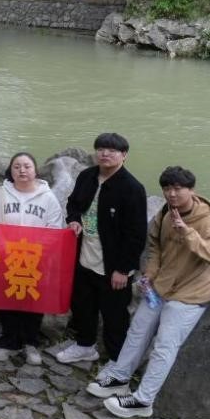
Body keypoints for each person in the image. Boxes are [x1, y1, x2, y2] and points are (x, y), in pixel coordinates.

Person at [88, 166, 210, 419]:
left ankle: (143, 401)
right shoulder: (165, 213)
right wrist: (149, 275)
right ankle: (119, 378)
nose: (172, 194)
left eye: (178, 189)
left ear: (192, 190)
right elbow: (155, 247)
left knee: (164, 345)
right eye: (167, 189)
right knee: (138, 329)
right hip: (162, 286)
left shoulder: (207, 221)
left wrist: (187, 233)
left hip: (191, 293)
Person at [57, 132, 148, 365]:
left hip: (113, 265)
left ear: (124, 155)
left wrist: (124, 269)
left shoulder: (132, 188)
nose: (105, 154)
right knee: (82, 305)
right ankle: (85, 346)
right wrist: (73, 220)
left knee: (114, 315)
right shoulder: (87, 176)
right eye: (100, 149)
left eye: (112, 150)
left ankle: (118, 362)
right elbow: (73, 204)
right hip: (84, 256)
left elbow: (136, 234)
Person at [0, 153, 64, 365]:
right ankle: (8, 342)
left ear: (35, 170)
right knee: (8, 300)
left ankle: (31, 343)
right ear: (11, 171)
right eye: (17, 166)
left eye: (27, 166)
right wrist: (5, 249)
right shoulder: (1, 194)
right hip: (7, 257)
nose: (22, 170)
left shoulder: (48, 197)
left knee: (33, 301)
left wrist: (38, 251)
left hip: (36, 259)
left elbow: (54, 228)